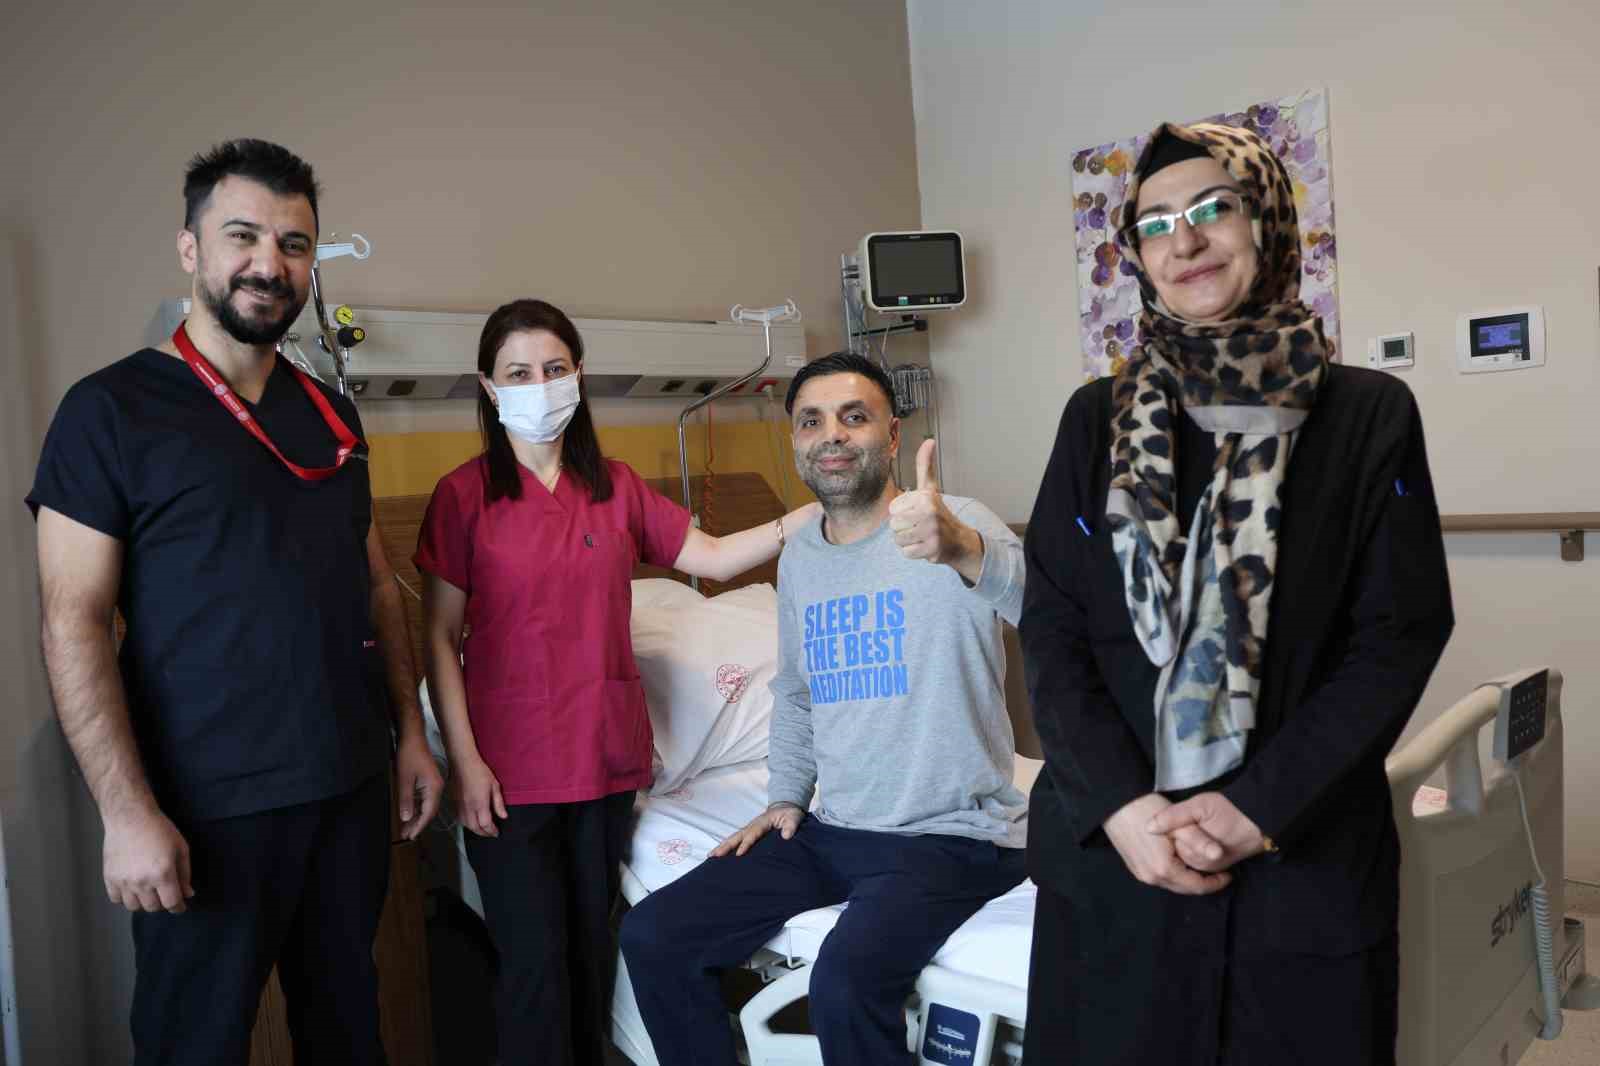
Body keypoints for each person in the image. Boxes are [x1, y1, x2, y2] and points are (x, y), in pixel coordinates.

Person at [1020, 121, 1454, 1064]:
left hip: (1298, 860)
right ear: (1137, 258)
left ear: (1266, 221)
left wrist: (1259, 808)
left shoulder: (1367, 415)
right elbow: (1051, 627)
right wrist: (1121, 808)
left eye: (1213, 209)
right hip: (1115, 862)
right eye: (1154, 224)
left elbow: (1399, 633)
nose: (1185, 241)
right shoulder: (1095, 421)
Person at [28, 138, 443, 1065]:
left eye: (294, 244)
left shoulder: (331, 414)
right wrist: (126, 813)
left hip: (347, 789)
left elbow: (375, 584)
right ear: (190, 248)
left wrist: (410, 735)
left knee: (349, 1032)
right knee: (194, 1045)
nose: (269, 263)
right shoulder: (111, 412)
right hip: (204, 809)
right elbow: (72, 621)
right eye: (243, 236)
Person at [413, 297, 821, 1066]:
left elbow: (711, 558)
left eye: (554, 368)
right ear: (490, 388)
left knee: (588, 961)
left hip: (603, 766)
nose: (539, 385)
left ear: (579, 375)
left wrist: (800, 520)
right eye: (518, 373)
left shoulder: (616, 488)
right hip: (508, 775)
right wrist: (464, 764)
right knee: (534, 974)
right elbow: (437, 636)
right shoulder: (464, 497)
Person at [619, 351, 1029, 1065]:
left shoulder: (957, 522)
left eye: (854, 416)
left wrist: (964, 550)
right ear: (796, 443)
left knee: (844, 985)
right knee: (654, 935)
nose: (831, 434)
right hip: (833, 827)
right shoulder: (801, 556)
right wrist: (785, 796)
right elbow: (798, 693)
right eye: (811, 421)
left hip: (952, 836)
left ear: (892, 437)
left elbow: (1054, 610)